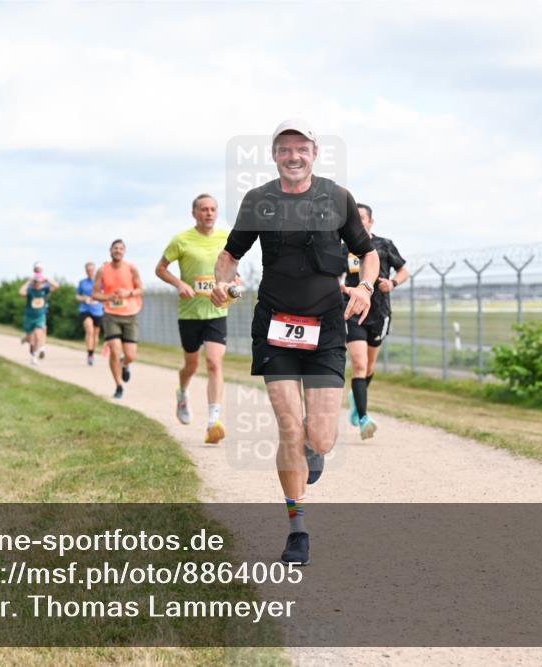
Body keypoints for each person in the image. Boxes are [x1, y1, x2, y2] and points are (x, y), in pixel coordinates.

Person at [210, 119, 378, 565]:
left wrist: (364, 287)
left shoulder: (337, 198)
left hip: (327, 326)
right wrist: (221, 281)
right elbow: (230, 255)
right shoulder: (258, 200)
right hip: (275, 326)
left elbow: (368, 253)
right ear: (274, 156)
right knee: (288, 428)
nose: (293, 156)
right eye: (284, 149)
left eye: (301, 148)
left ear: (315, 153)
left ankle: (312, 449)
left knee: (319, 438)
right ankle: (297, 528)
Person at [155, 193, 238, 444]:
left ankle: (213, 421)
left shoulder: (226, 238)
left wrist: (234, 282)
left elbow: (232, 268)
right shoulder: (181, 240)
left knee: (214, 362)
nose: (209, 213)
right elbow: (160, 269)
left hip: (217, 310)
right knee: (191, 366)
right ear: (194, 213)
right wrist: (179, 284)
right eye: (204, 209)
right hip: (190, 313)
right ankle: (182, 392)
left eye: (213, 209)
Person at [342, 203, 408, 440]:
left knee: (369, 366)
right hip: (353, 312)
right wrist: (342, 288)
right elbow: (336, 277)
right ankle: (363, 419)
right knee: (359, 365)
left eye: (362, 218)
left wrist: (392, 283)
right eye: (355, 217)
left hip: (380, 313)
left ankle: (356, 398)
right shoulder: (343, 248)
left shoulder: (384, 245)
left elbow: (403, 271)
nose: (359, 222)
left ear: (371, 221)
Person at [93, 240, 143, 398]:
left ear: (124, 252)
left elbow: (140, 289)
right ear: (110, 250)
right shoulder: (102, 270)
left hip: (130, 314)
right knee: (115, 351)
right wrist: (109, 297)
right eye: (115, 248)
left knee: (131, 355)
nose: (118, 251)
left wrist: (128, 293)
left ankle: (125, 364)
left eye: (121, 248)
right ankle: (119, 386)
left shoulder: (131, 268)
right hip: (111, 315)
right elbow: (95, 294)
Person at [19, 263, 59, 366]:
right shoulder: (30, 290)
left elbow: (56, 286)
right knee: (29, 338)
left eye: (39, 282)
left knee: (37, 336)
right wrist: (28, 281)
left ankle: (34, 357)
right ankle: (26, 338)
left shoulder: (44, 290)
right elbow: (21, 292)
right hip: (29, 317)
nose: (38, 284)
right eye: (36, 282)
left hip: (40, 316)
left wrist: (47, 279)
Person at [76, 262, 105, 365]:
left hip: (97, 310)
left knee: (96, 334)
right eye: (88, 270)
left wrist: (98, 298)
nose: (90, 271)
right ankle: (89, 354)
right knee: (89, 330)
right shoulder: (82, 282)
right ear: (85, 271)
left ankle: (92, 352)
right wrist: (84, 298)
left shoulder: (100, 282)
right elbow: (77, 296)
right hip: (85, 309)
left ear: (94, 270)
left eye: (92, 270)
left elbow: (105, 295)